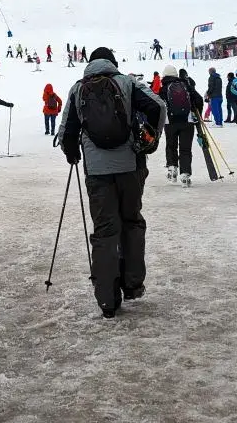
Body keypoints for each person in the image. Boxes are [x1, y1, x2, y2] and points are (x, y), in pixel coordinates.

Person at [58, 46, 166, 318]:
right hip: (130, 166)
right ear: (113, 62)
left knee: (105, 231)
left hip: (97, 172)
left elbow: (67, 131)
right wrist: (148, 142)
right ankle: (132, 285)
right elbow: (158, 106)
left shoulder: (78, 88)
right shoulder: (128, 83)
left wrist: (73, 153)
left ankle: (107, 300)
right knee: (131, 221)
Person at [160, 65, 200, 187]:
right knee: (185, 149)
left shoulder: (163, 89)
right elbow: (198, 99)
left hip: (170, 122)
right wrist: (197, 112)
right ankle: (185, 174)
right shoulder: (186, 85)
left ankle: (172, 168)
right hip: (187, 121)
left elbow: (158, 105)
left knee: (171, 146)